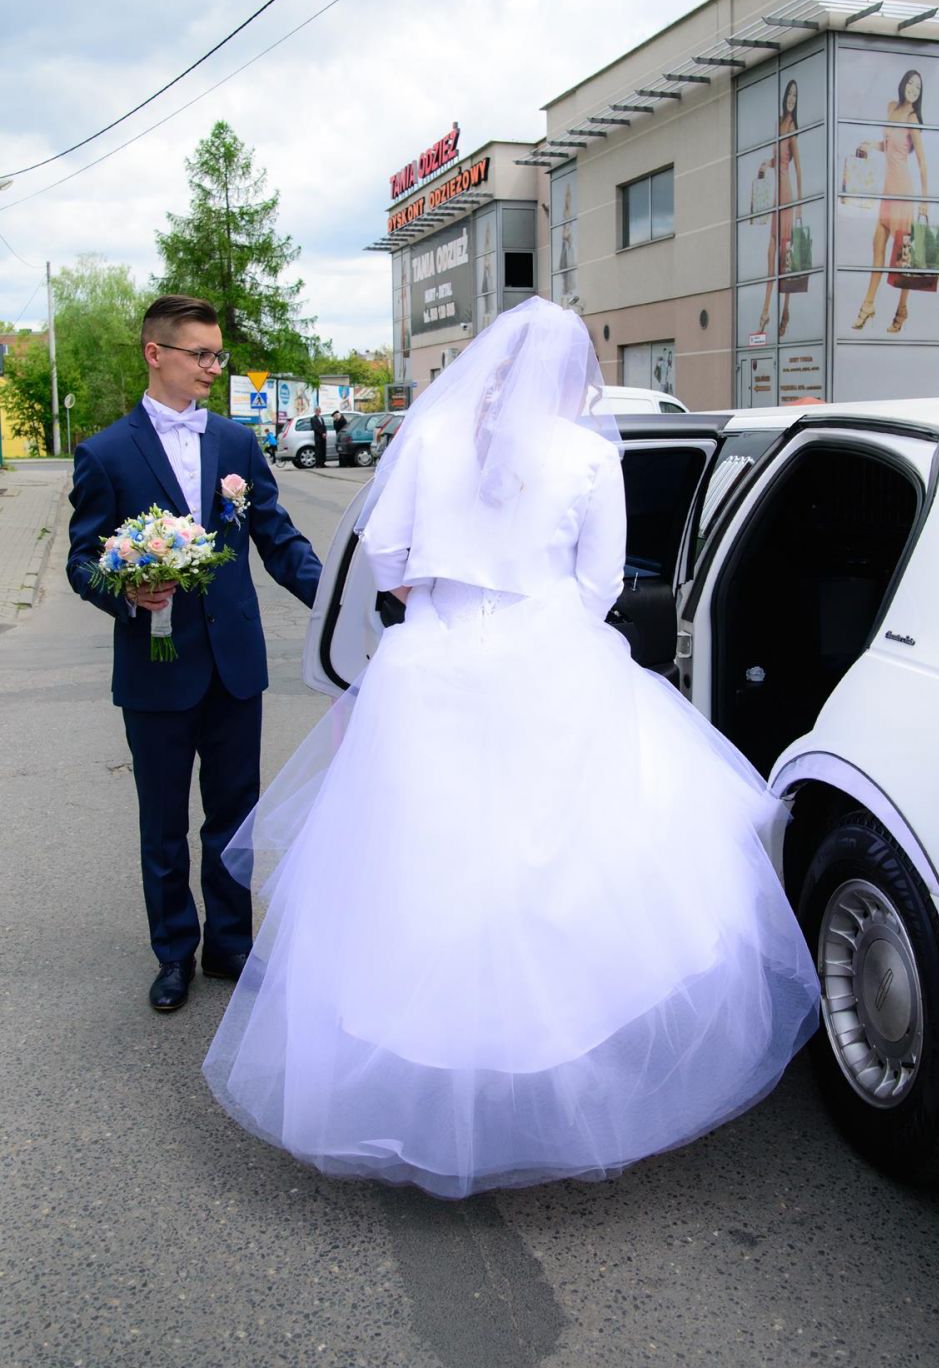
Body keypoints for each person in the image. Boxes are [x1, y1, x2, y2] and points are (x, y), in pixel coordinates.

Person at [202, 296, 819, 1198]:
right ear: (574, 378)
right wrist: (538, 623)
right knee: (568, 865)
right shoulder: (587, 456)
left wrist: (440, 602)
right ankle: (555, 1070)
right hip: (549, 659)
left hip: (431, 663)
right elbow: (600, 584)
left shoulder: (431, 434)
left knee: (413, 868)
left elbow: (385, 554)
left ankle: (419, 1068)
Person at [67, 294, 322, 1013]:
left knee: (235, 816)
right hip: (155, 668)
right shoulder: (106, 453)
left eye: (218, 355)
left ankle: (229, 946)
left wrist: (342, 603)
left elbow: (278, 539)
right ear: (156, 354)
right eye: (201, 354)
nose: (214, 367)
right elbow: (82, 560)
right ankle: (174, 952)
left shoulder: (237, 444)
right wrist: (125, 592)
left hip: (235, 662)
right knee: (163, 823)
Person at [851, 69, 929, 334]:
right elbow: (890, 146)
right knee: (877, 246)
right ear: (903, 83)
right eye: (911, 83)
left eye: (918, 87)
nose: (913, 89)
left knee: (903, 258)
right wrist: (872, 146)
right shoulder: (892, 107)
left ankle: (901, 309)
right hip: (888, 190)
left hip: (903, 192)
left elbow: (921, 161)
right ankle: (868, 304)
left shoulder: (912, 118)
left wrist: (925, 200)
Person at [757, 78, 803, 339]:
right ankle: (766, 310)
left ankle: (784, 309)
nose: (792, 99)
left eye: (795, 96)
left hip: (786, 195)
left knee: (786, 258)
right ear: (785, 96)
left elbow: (798, 169)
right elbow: (780, 160)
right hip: (777, 194)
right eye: (790, 94)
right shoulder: (778, 124)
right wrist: (767, 164)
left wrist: (799, 206)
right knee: (771, 253)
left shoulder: (792, 128)